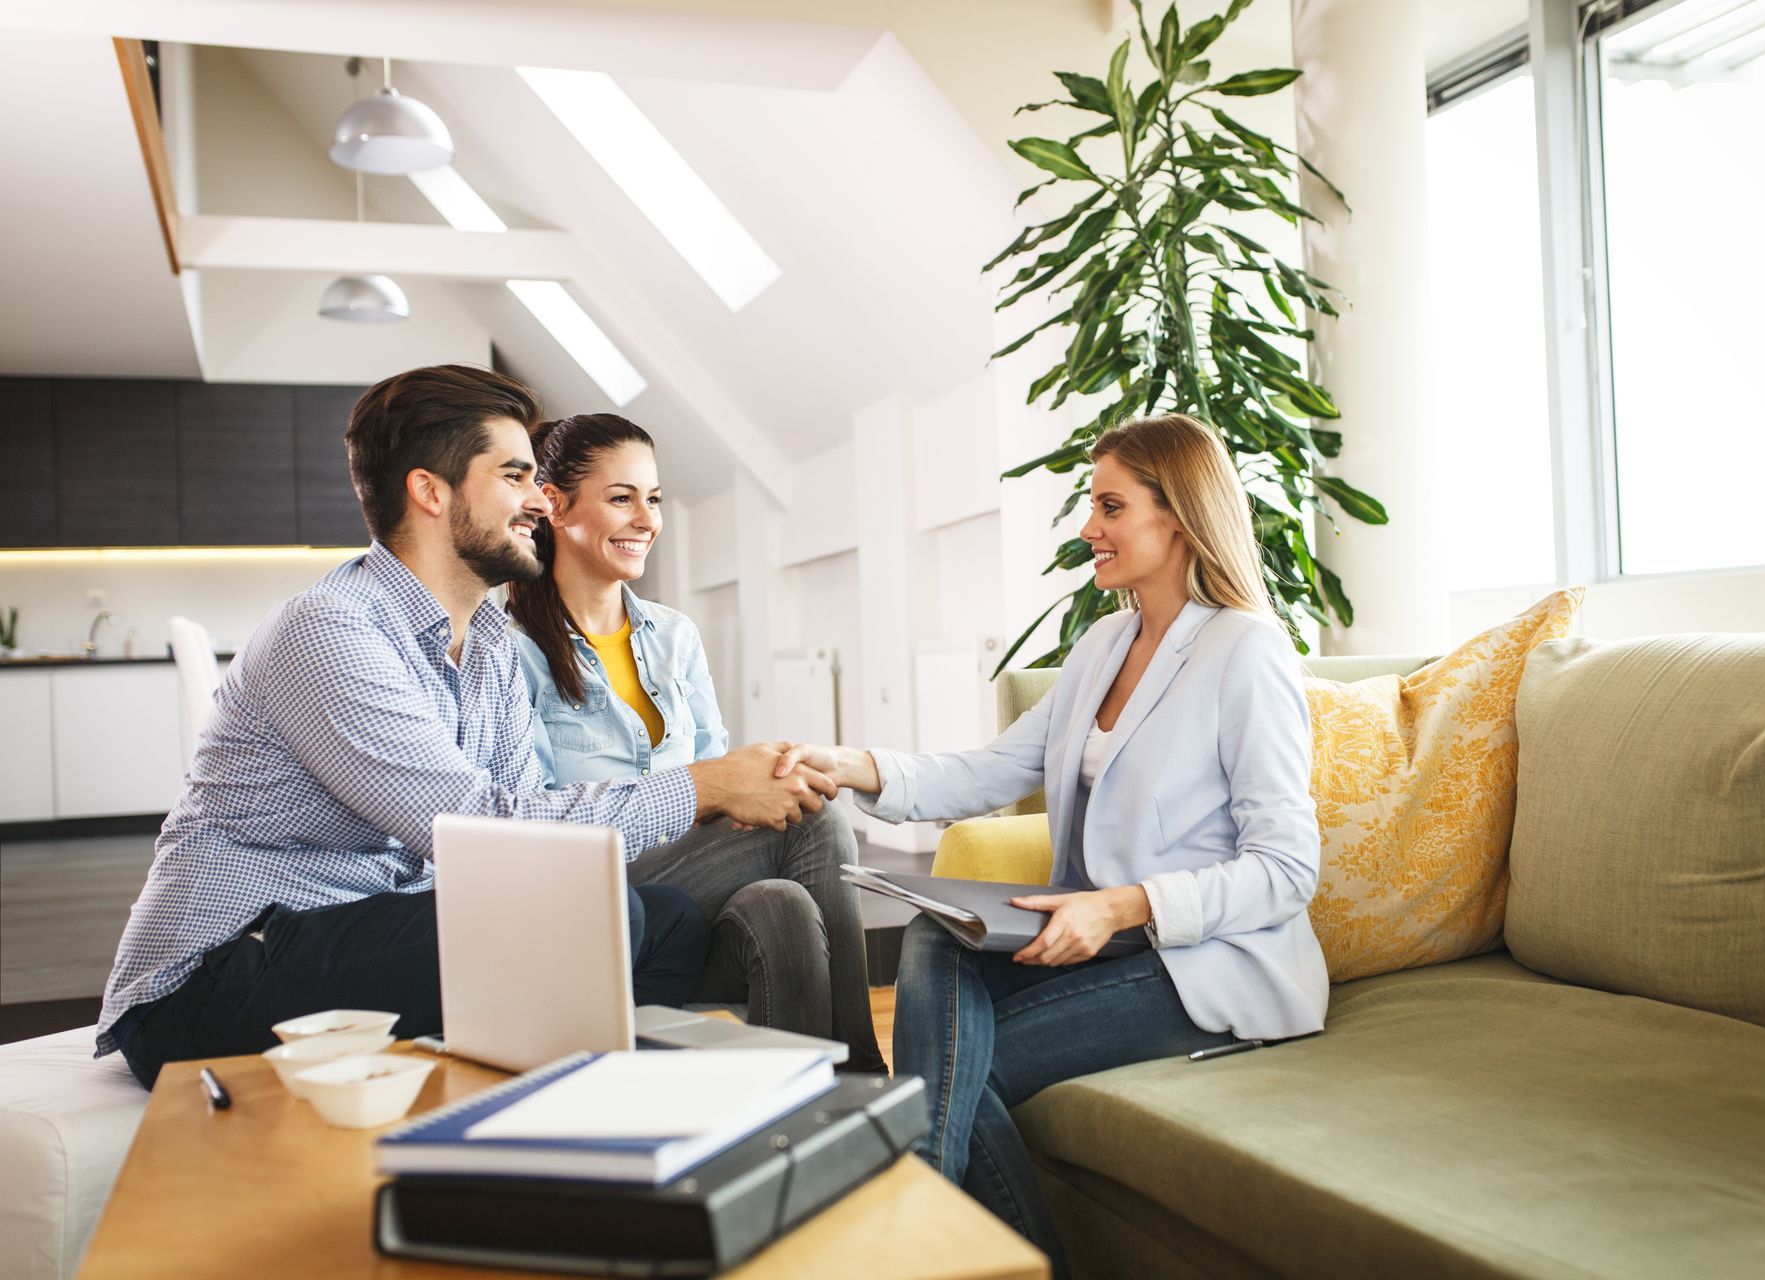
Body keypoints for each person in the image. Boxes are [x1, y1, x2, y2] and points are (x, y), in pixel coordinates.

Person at [96, 364, 837, 1088]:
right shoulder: (329, 631)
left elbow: (516, 844)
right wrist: (704, 786)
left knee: (666, 918)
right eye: (513, 477)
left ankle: (610, 1103)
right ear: (429, 490)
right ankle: (583, 1100)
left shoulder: (487, 643)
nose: (538, 503)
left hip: (363, 929)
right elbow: (480, 823)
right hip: (214, 974)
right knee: (592, 919)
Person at [773, 414, 1327, 1269]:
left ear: (1177, 516)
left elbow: (1288, 870)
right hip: (1102, 944)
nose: (1087, 529)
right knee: (935, 935)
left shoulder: (1246, 653)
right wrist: (852, 765)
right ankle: (927, 1219)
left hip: (1204, 960)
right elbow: (993, 770)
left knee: (959, 1072)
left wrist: (1125, 905)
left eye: (1110, 507)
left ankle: (908, 1217)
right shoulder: (1104, 644)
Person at [505, 413, 884, 1070]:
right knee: (815, 819)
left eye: (652, 499)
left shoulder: (673, 635)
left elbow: (715, 769)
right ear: (555, 504)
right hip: (594, 891)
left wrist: (760, 779)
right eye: (621, 497)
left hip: (690, 877)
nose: (646, 518)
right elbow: (535, 816)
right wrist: (729, 790)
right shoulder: (510, 649)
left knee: (783, 903)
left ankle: (791, 1114)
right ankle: (865, 1078)